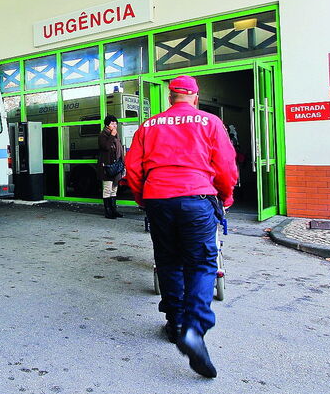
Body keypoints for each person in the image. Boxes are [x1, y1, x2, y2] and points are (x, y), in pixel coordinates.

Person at [125, 75, 238, 378]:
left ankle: (175, 323)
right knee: (202, 264)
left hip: (159, 198)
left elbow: (133, 168)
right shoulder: (209, 122)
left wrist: (143, 199)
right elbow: (226, 165)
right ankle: (193, 328)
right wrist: (225, 197)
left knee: (168, 261)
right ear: (195, 97)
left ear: (170, 97)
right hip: (197, 198)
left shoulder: (149, 126)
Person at [97, 114, 125, 219]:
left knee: (114, 188)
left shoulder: (116, 135)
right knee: (107, 189)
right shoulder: (103, 134)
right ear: (107, 125)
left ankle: (114, 210)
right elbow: (106, 147)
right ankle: (108, 211)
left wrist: (123, 164)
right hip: (107, 166)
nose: (114, 125)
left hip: (116, 166)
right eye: (112, 123)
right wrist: (112, 135)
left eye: (115, 123)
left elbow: (120, 150)